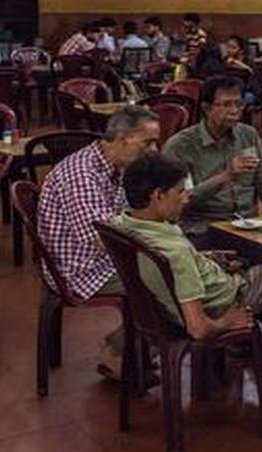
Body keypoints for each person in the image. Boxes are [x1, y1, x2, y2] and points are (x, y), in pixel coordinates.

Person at [109, 153, 262, 390]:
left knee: (251, 264)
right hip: (223, 302)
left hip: (173, 302)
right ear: (157, 196)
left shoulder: (121, 226)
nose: (187, 199)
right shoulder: (175, 254)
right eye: (180, 192)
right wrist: (229, 322)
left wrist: (201, 260)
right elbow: (199, 329)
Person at [36, 106, 161, 378]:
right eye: (147, 142)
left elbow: (129, 217)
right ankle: (119, 353)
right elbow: (104, 240)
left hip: (104, 259)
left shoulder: (117, 167)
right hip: (80, 269)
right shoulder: (82, 174)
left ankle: (131, 348)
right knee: (166, 281)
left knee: (175, 267)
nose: (153, 150)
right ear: (121, 138)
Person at [161, 76, 262, 237]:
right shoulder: (181, 146)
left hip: (248, 226)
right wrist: (225, 177)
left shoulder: (248, 135)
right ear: (207, 108)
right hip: (203, 228)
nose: (235, 111)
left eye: (239, 104)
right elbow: (177, 203)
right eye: (227, 104)